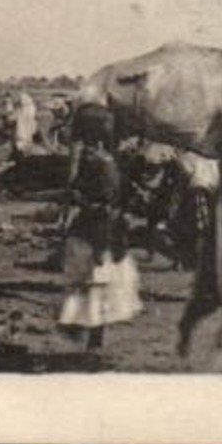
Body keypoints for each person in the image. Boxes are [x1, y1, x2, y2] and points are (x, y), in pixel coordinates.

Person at [58, 105, 143, 350]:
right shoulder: (101, 159)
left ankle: (89, 335)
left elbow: (104, 200)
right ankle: (91, 334)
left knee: (93, 282)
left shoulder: (95, 160)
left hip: (95, 227)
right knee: (96, 283)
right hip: (98, 227)